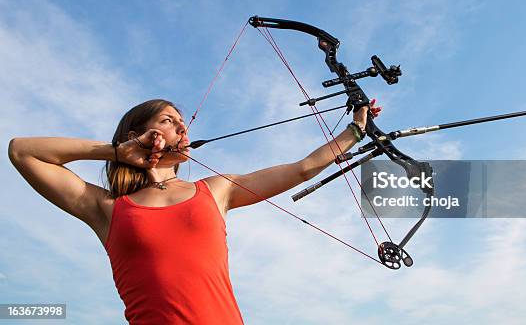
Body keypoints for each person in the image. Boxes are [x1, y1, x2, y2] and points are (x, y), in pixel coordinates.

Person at [8, 97, 381, 324]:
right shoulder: (107, 208)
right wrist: (116, 151)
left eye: (183, 122)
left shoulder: (216, 190)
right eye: (168, 120)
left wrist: (355, 131)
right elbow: (23, 151)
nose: (182, 127)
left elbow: (302, 168)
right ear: (137, 134)